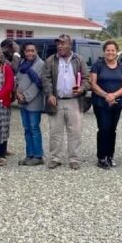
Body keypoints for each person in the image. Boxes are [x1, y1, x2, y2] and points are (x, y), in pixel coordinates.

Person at [42, 34, 90, 170]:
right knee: (55, 133)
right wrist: (49, 94)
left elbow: (87, 79)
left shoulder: (79, 60)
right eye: (58, 44)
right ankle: (55, 158)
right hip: (56, 101)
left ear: (70, 45)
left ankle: (74, 159)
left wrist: (81, 88)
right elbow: (45, 79)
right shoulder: (51, 60)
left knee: (75, 132)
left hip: (74, 101)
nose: (60, 46)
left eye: (63, 43)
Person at [89, 40, 122, 169]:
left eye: (113, 50)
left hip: (117, 103)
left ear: (116, 52)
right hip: (101, 102)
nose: (110, 52)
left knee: (112, 130)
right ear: (104, 51)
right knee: (104, 129)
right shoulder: (98, 65)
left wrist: (114, 95)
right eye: (108, 50)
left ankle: (110, 156)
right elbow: (93, 83)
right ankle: (101, 157)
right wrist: (106, 95)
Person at [16, 42, 45, 165]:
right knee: (26, 129)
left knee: (34, 128)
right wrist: (17, 92)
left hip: (34, 101)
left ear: (36, 51)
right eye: (28, 51)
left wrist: (25, 96)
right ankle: (29, 155)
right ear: (24, 52)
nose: (30, 53)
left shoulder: (40, 64)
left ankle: (38, 156)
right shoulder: (22, 63)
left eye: (32, 51)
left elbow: (38, 84)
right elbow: (18, 79)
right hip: (22, 101)